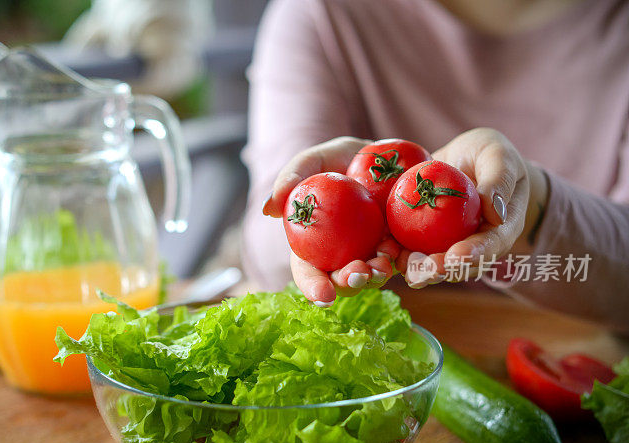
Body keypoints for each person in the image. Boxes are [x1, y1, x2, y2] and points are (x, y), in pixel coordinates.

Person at [241, 0, 629, 333]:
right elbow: (270, 244)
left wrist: (526, 208)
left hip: (574, 343)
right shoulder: (321, 12)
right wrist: (306, 235)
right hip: (383, 354)